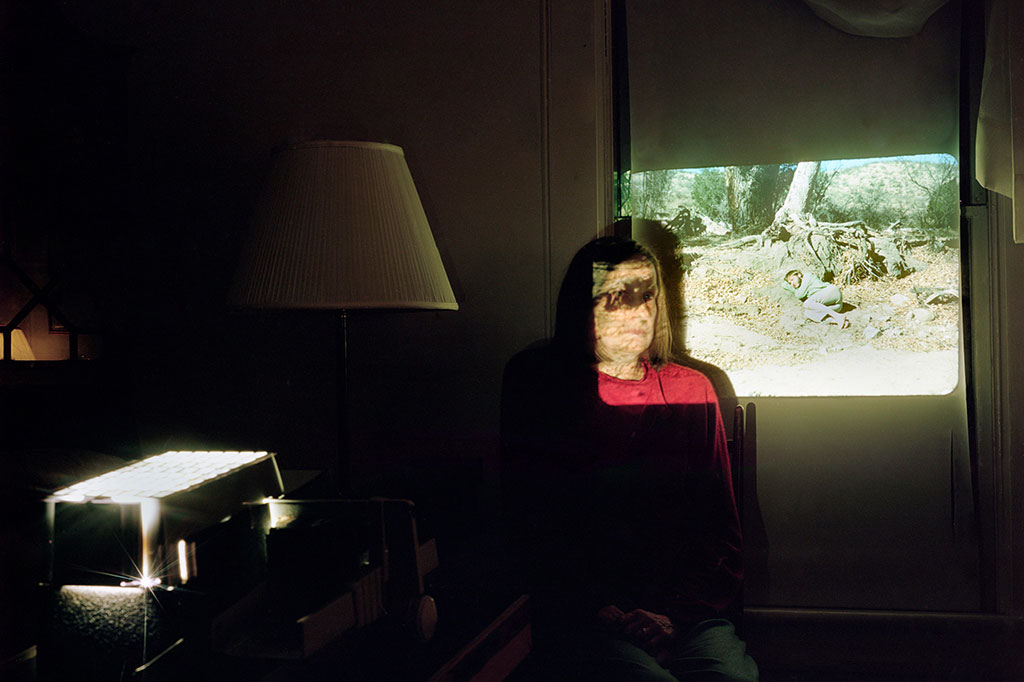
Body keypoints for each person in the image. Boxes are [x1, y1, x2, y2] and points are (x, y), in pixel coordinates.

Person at [501, 236, 758, 681]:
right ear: (584, 304)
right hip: (587, 615)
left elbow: (721, 530)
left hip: (686, 615)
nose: (634, 312)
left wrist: (673, 615)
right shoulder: (542, 391)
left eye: (646, 296)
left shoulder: (691, 389)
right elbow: (527, 520)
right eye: (615, 296)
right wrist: (596, 607)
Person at [782, 269, 848, 328]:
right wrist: (791, 284)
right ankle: (836, 321)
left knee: (807, 303)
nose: (792, 284)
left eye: (792, 279)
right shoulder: (800, 287)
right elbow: (784, 285)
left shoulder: (807, 277)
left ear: (799, 275)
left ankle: (838, 317)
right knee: (808, 313)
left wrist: (795, 288)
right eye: (790, 283)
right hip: (837, 306)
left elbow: (799, 295)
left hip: (831, 291)